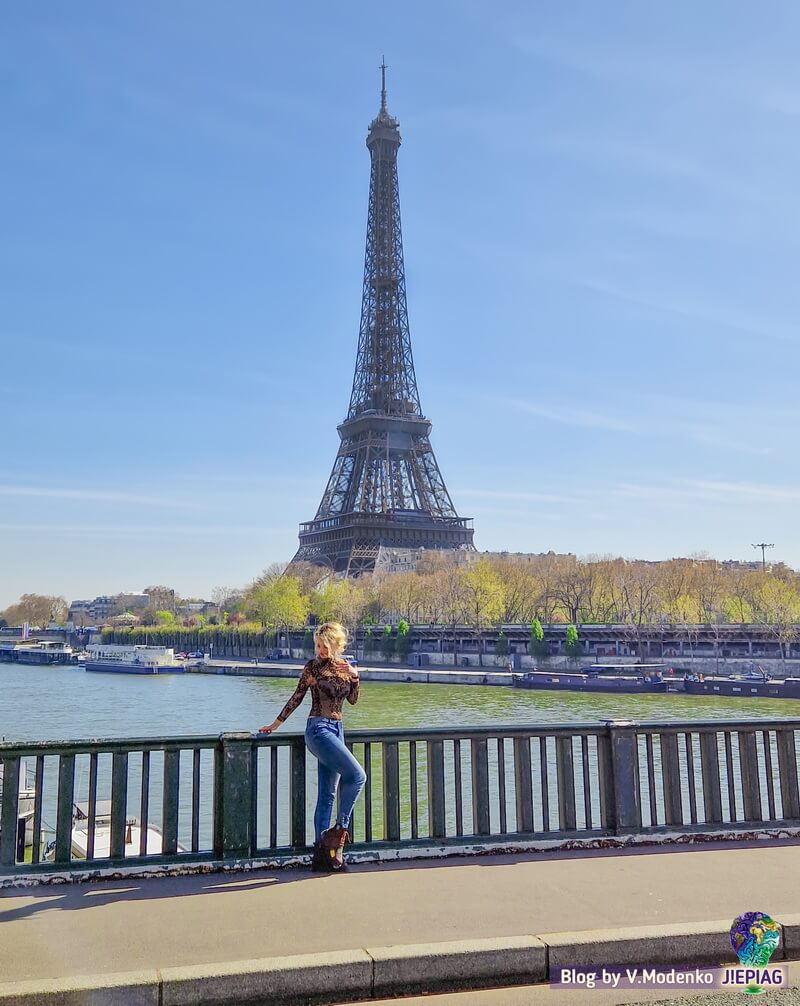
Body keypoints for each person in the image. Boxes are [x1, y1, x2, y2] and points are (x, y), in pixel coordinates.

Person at [258, 621, 365, 872]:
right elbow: (296, 697)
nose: (320, 650)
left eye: (324, 646)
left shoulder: (345, 668)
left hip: (338, 730)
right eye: (317, 646)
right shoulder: (312, 668)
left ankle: (321, 853)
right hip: (318, 729)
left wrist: (356, 678)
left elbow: (352, 700)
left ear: (336, 645)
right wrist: (276, 724)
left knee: (327, 794)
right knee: (358, 776)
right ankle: (339, 833)